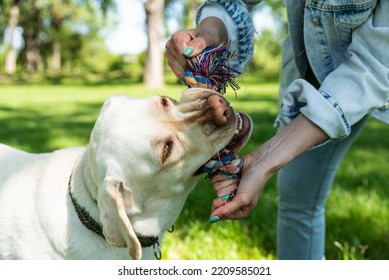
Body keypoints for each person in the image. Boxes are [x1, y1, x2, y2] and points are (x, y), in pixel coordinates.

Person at [165, 0, 389, 259]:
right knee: (297, 196)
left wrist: (267, 158)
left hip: (361, 75)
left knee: (300, 200)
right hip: (306, 67)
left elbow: (378, 64)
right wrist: (212, 29)